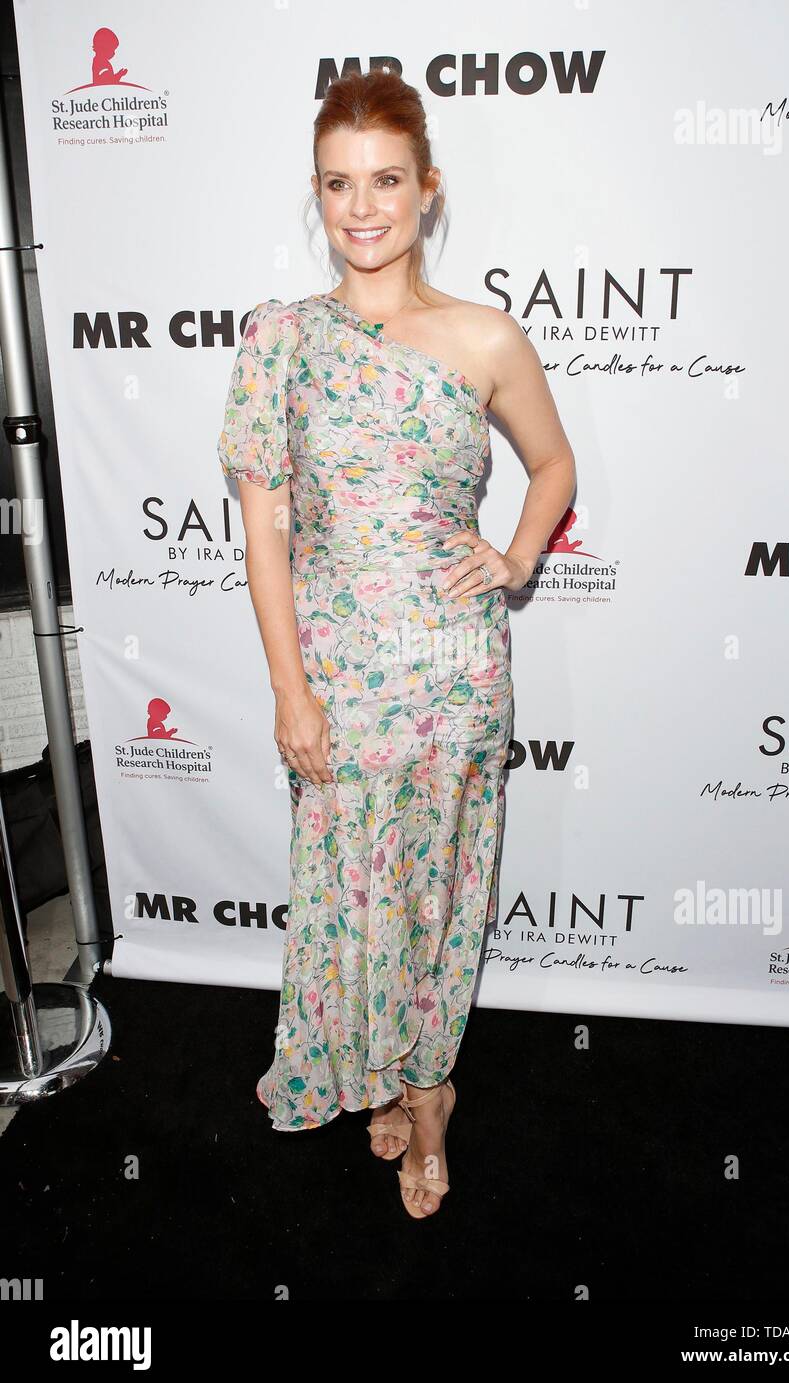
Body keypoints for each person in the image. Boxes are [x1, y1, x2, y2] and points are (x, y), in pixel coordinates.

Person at [217, 69, 575, 1218]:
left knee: (437, 896)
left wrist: (515, 556)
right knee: (352, 896)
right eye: (337, 184)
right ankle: (378, 1070)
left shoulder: (483, 336)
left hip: (454, 672)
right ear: (315, 196)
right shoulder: (278, 340)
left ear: (428, 190)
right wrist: (290, 691)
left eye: (384, 181)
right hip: (336, 675)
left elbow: (553, 465)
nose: (360, 207)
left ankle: (429, 1102)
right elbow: (263, 533)